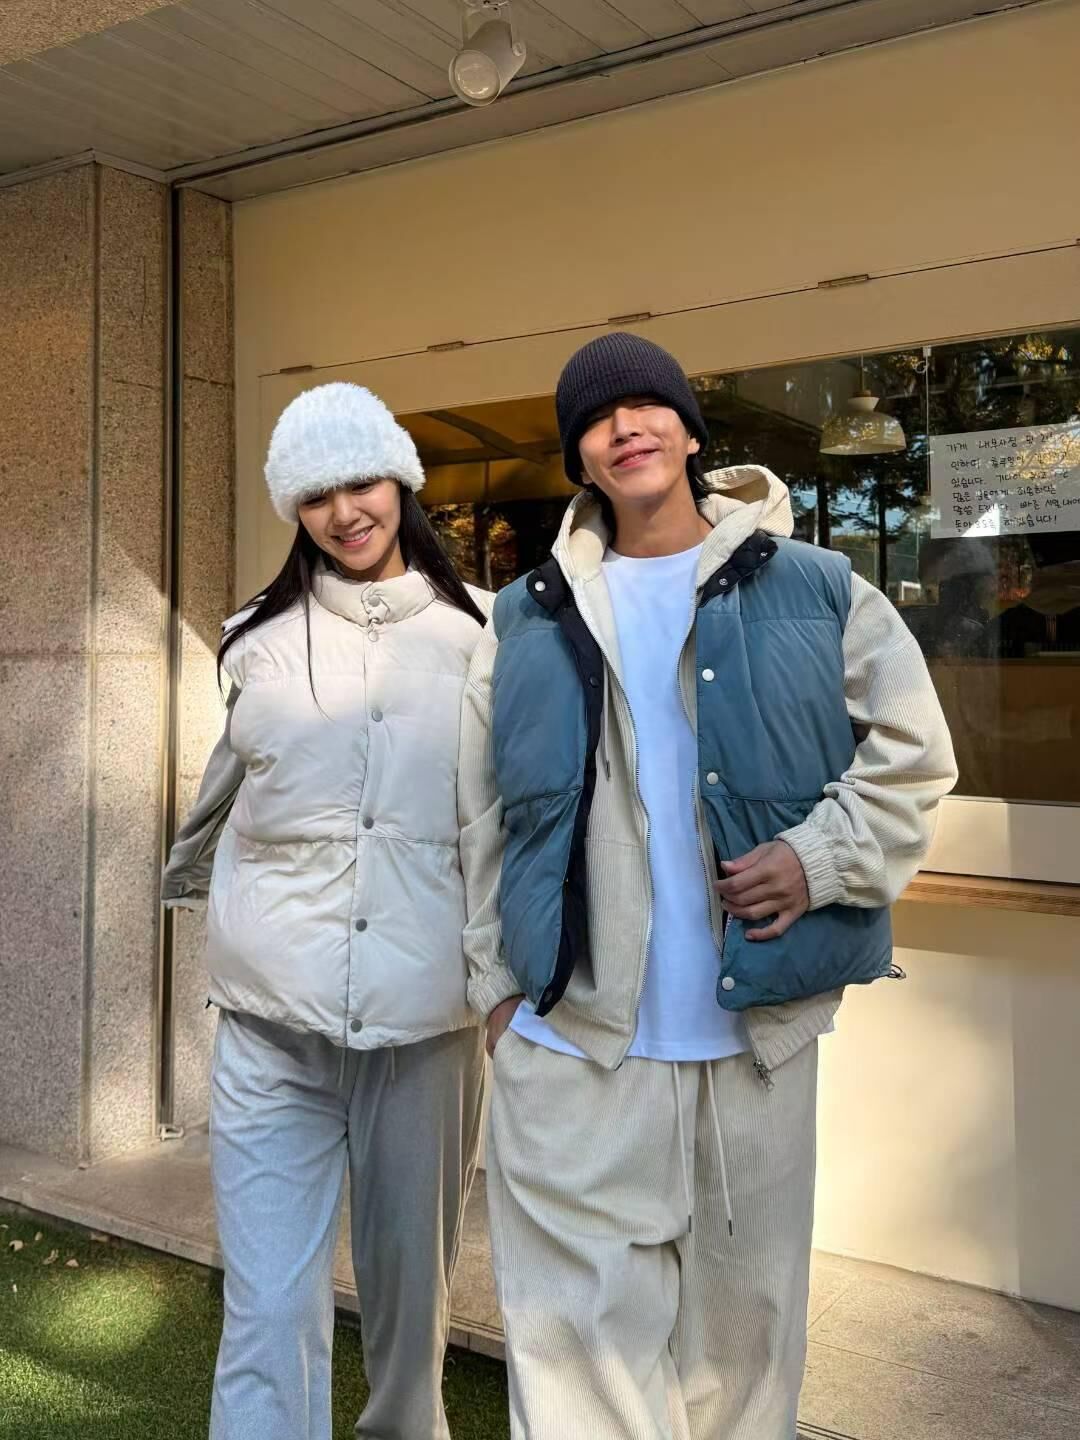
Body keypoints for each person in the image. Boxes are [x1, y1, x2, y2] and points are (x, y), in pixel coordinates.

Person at [458, 333, 957, 1439]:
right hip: (570, 1040)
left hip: (755, 1046)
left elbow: (915, 756)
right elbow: (481, 814)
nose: (625, 427)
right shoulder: (524, 614)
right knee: (577, 1371)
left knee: (745, 1367)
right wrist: (497, 993)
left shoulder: (820, 588)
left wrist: (820, 858)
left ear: (689, 432)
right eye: (598, 418)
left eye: (647, 405)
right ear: (580, 458)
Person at [162, 382, 489, 1440]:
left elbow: (505, 826)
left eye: (362, 483)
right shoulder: (253, 640)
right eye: (315, 495)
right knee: (265, 1309)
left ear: (402, 481)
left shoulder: (485, 635)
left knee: (410, 1312)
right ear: (292, 510)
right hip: (270, 1026)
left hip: (425, 1028)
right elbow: (225, 799)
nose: (344, 512)